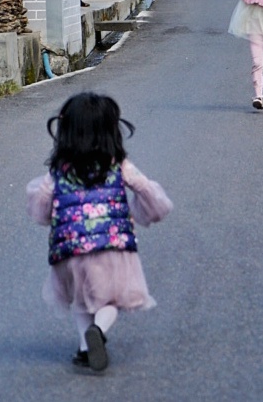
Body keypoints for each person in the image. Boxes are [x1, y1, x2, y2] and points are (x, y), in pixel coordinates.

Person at [26, 91, 172, 373]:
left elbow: (42, 204)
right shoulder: (117, 165)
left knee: (81, 300)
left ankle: (84, 347)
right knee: (111, 300)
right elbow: (143, 188)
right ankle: (99, 331)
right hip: (112, 246)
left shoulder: (59, 170)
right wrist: (153, 208)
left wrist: (47, 218)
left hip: (69, 251)